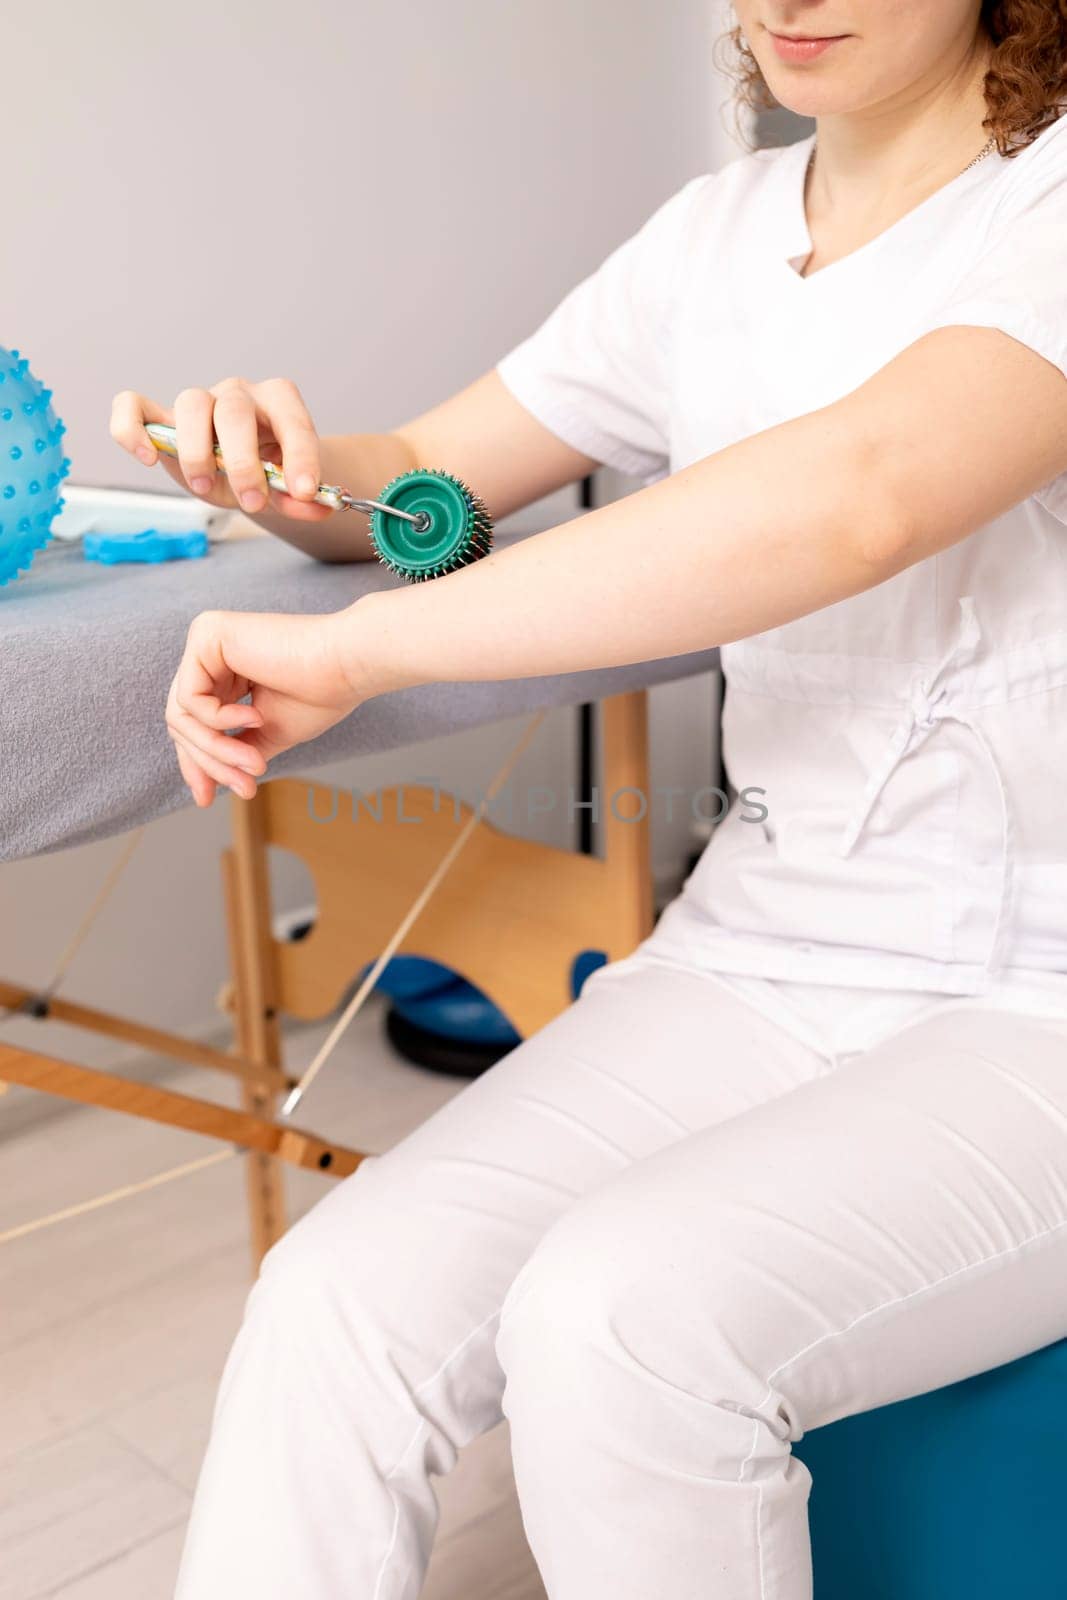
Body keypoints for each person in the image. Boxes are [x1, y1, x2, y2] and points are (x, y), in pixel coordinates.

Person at [111, 4, 1067, 1596]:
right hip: (759, 954)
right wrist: (291, 478)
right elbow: (430, 483)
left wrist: (363, 654)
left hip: (1041, 996)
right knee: (333, 1304)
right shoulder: (713, 239)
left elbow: (863, 495)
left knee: (624, 1321)